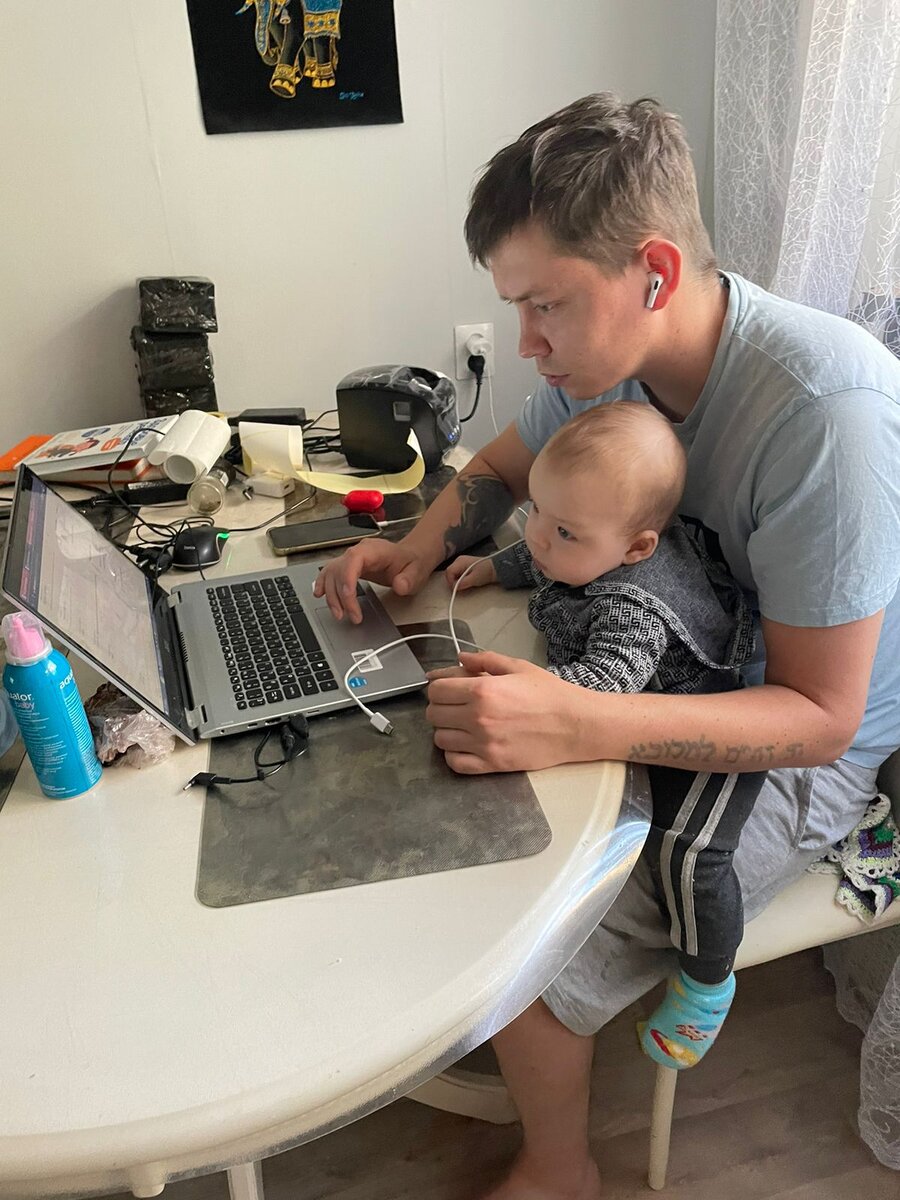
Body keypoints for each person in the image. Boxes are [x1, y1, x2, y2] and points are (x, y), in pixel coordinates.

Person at [315, 93, 900, 1198]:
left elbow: (822, 717)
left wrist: (579, 718)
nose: (526, 345)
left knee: (525, 942)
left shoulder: (827, 413)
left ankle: (560, 1168)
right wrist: (417, 546)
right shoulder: (609, 371)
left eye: (546, 307)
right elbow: (500, 469)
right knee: (468, 806)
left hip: (792, 735)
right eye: (516, 308)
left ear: (655, 275)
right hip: (666, 665)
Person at [449, 399, 767, 1070]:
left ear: (636, 548)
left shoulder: (633, 609)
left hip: (706, 736)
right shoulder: (581, 534)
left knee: (688, 856)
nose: (540, 537)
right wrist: (494, 567)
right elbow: (542, 549)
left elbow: (604, 687)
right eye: (537, 510)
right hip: (635, 725)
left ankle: (709, 982)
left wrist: (532, 692)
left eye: (563, 531)